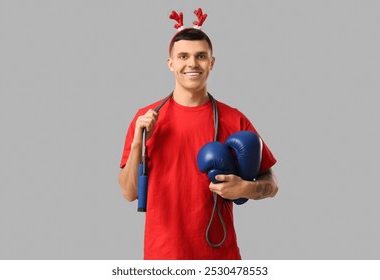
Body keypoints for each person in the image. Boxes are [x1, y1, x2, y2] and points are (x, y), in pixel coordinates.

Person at [118, 8, 278, 260]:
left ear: (211, 62)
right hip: (163, 257)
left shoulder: (233, 118)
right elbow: (129, 193)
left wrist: (245, 188)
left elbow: (272, 185)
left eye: (201, 56)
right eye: (183, 56)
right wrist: (139, 140)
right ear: (171, 64)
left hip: (219, 257)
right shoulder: (146, 118)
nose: (192, 63)